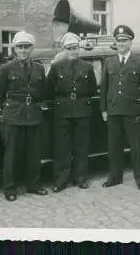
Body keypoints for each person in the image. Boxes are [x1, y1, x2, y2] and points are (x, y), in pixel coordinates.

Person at [0, 31, 48, 201]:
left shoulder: (39, 68)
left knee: (34, 153)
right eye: (20, 47)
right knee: (12, 154)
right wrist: (10, 108)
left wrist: (37, 105)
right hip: (13, 115)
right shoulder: (6, 68)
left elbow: (42, 91)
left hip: (33, 115)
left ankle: (33, 185)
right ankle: (10, 188)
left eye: (27, 47)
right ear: (14, 49)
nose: (23, 50)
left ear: (32, 49)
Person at [100, 24, 140, 190]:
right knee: (114, 146)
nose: (121, 44)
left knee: (136, 147)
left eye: (125, 41)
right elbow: (104, 88)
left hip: (132, 111)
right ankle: (115, 177)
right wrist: (104, 109)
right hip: (114, 110)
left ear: (130, 42)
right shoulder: (109, 62)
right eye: (119, 41)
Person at [46, 32, 97, 192]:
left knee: (81, 147)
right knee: (62, 148)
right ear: (64, 50)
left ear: (79, 49)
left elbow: (92, 88)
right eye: (69, 49)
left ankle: (81, 178)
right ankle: (61, 180)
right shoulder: (56, 67)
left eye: (75, 48)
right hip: (62, 111)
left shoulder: (88, 67)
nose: (73, 51)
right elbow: (49, 90)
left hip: (82, 110)